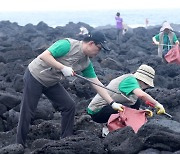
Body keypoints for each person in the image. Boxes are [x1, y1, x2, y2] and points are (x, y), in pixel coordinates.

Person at [16, 30, 115, 147]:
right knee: (28, 111)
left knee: (69, 106)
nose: (99, 52)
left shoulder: (86, 62)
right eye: (99, 48)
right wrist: (63, 67)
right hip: (35, 76)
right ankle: (19, 144)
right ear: (91, 43)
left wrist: (112, 103)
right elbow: (44, 56)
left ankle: (65, 140)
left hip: (51, 82)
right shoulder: (67, 45)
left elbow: (95, 82)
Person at [87, 64, 165, 124]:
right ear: (143, 81)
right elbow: (142, 95)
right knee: (126, 109)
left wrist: (141, 112)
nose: (146, 88)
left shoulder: (132, 82)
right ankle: (109, 128)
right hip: (96, 112)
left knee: (136, 102)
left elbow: (135, 103)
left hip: (106, 109)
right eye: (147, 85)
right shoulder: (131, 80)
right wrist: (157, 104)